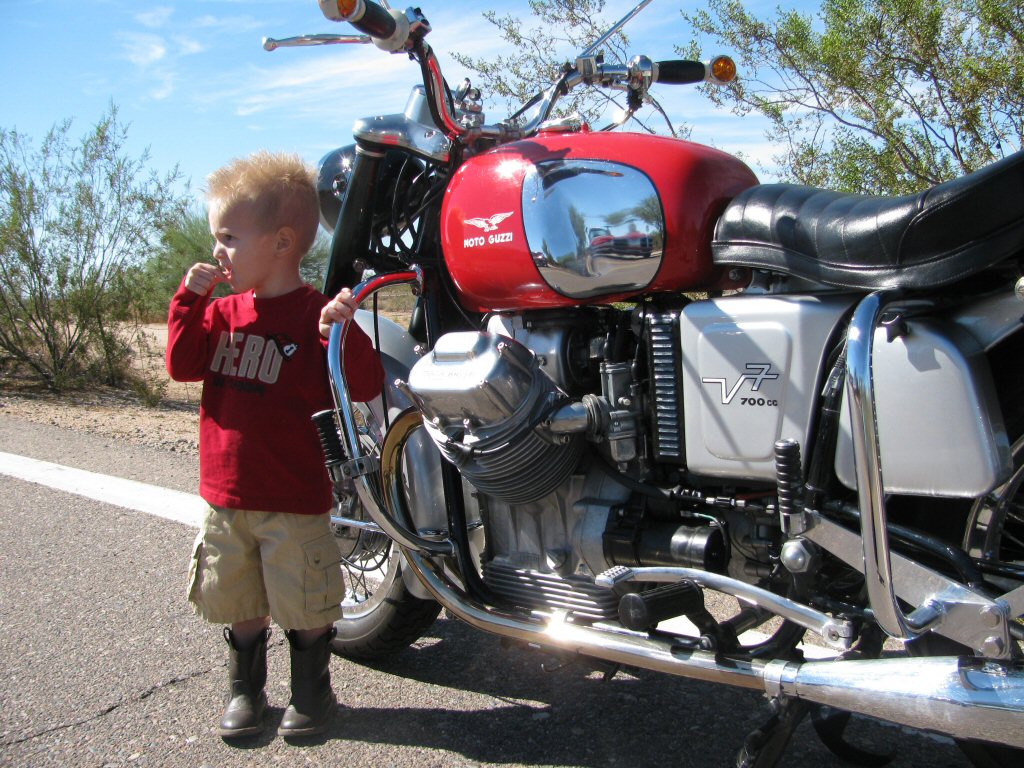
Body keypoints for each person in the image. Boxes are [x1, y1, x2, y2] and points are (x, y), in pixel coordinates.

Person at [166, 150, 384, 740]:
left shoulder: (314, 315)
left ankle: (313, 694)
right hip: (226, 497)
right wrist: (188, 303)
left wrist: (342, 330)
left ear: (283, 242)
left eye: (230, 237)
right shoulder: (221, 314)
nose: (218, 251)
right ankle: (246, 693)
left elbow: (364, 385)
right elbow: (183, 366)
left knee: (306, 604)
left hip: (293, 498)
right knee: (239, 600)